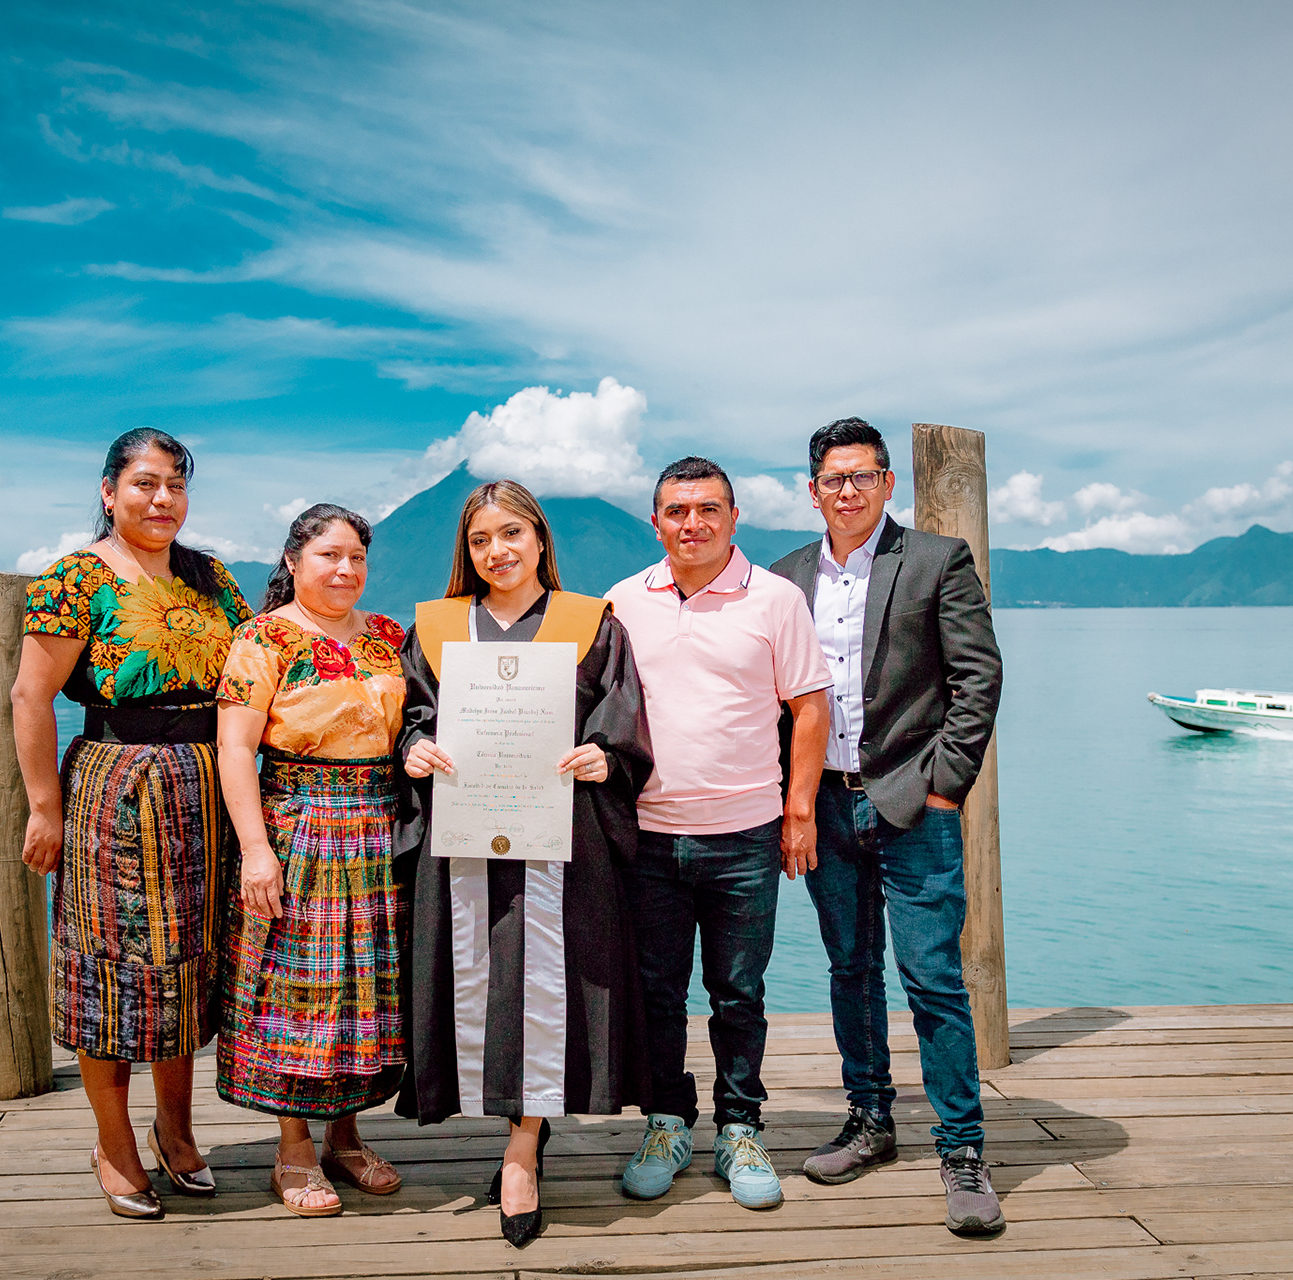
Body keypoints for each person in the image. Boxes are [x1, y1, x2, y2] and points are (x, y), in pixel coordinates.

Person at [394, 480, 654, 1248]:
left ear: (540, 537)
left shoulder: (593, 624)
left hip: (561, 839)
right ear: (466, 552)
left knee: (544, 986)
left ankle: (521, 1152)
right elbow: (410, 716)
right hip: (463, 837)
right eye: (480, 540)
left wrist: (606, 757)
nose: (497, 551)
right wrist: (413, 747)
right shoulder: (436, 627)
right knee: (482, 982)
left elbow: (622, 720)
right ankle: (514, 1132)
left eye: (512, 533)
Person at [768, 418, 1005, 1236]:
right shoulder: (786, 577)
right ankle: (869, 1119)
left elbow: (978, 678)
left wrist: (944, 789)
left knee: (933, 977)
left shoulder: (937, 560)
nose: (849, 491)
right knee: (850, 969)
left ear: (887, 483)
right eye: (834, 479)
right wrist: (790, 801)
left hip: (912, 803)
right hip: (825, 805)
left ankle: (963, 1148)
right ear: (813, 491)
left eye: (863, 476)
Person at [13, 428, 252, 1220]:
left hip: (204, 786)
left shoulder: (210, 577)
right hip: (114, 786)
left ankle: (176, 1131)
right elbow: (29, 696)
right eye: (146, 483)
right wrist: (44, 807)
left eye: (176, 485)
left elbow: (256, 670)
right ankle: (113, 1144)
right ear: (109, 491)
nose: (163, 499)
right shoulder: (75, 578)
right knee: (111, 970)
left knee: (188, 963)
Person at [604, 457, 831, 1211]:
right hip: (647, 835)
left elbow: (809, 708)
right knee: (656, 992)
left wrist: (799, 812)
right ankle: (667, 1123)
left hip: (745, 836)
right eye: (677, 511)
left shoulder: (776, 599)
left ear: (734, 518)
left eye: (708, 510)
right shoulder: (621, 601)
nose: (692, 524)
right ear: (656, 522)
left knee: (738, 991)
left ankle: (741, 1127)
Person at [214, 504, 409, 1218]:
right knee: (298, 989)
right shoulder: (263, 637)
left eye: (357, 557)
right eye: (329, 555)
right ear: (293, 562)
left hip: (380, 827)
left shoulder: (389, 636)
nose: (345, 569)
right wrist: (254, 850)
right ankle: (293, 1149)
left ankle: (346, 1138)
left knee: (363, 989)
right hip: (297, 826)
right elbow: (235, 748)